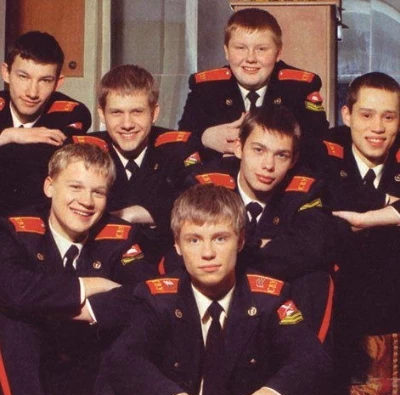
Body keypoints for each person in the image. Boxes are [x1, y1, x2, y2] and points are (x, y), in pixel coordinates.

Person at [107, 184, 332, 395]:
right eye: (194, 240)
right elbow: (123, 357)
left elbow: (311, 358)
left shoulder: (269, 299)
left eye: (220, 239)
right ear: (177, 245)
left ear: (241, 241)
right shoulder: (157, 300)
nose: (208, 253)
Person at [0, 143, 156, 395]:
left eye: (98, 192)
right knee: (14, 322)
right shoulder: (14, 230)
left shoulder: (120, 236)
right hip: (30, 371)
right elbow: (12, 288)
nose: (86, 201)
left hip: (90, 368)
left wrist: (89, 310)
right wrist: (90, 286)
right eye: (75, 187)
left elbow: (148, 295)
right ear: (49, 186)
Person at [180, 107, 336, 339]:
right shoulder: (206, 183)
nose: (268, 165)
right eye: (258, 150)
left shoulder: (306, 189)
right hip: (217, 296)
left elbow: (312, 247)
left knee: (315, 279)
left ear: (293, 160)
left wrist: (238, 248)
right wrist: (263, 244)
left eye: (281, 155)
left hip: (271, 306)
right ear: (239, 148)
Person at [320, 72, 400, 395]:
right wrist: (388, 207)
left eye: (388, 117)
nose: (377, 127)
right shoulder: (321, 154)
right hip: (334, 321)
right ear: (347, 115)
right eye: (366, 115)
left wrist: (366, 218)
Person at [178, 8, 328, 166]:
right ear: (226, 51)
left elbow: (318, 147)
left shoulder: (299, 88)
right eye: (240, 48)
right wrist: (205, 137)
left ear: (278, 53)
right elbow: (180, 144)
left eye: (261, 49)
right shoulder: (206, 89)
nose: (250, 58)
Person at [89, 64, 202, 259]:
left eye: (137, 112)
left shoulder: (178, 148)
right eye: (116, 113)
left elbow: (200, 202)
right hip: (103, 261)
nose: (127, 124)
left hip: (167, 261)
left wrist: (136, 213)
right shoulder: (87, 151)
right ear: (102, 114)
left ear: (154, 113)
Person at [0, 31, 91, 215]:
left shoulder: (70, 113)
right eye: (23, 77)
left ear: (58, 82)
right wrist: (8, 135)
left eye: (45, 80)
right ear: (6, 73)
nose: (32, 92)